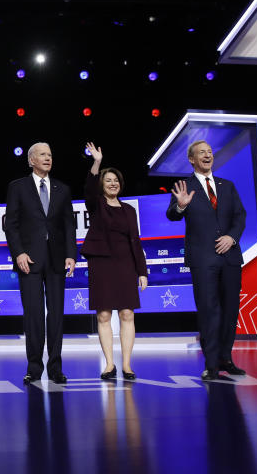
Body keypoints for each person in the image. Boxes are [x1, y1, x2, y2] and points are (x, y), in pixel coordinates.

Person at [166, 140, 247, 381]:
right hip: (203, 259)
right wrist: (180, 206)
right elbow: (171, 215)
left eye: (210, 152)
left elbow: (240, 216)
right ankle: (211, 364)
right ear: (192, 159)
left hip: (230, 257)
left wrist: (232, 237)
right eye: (202, 152)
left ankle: (226, 358)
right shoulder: (184, 186)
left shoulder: (227, 185)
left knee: (231, 311)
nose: (207, 155)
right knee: (209, 311)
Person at [4, 142, 78, 385]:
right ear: (31, 160)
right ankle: (33, 367)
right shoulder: (17, 187)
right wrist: (19, 253)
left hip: (57, 259)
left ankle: (55, 367)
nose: (48, 158)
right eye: (43, 155)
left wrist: (71, 254)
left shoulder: (62, 189)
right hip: (30, 260)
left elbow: (69, 225)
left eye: (50, 154)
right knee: (34, 315)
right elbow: (11, 224)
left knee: (56, 315)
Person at [81, 142, 148, 381]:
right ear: (102, 184)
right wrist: (97, 162)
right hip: (102, 264)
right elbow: (89, 188)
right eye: (108, 180)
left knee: (127, 314)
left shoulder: (129, 210)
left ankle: (127, 365)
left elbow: (136, 242)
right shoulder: (96, 204)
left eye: (116, 181)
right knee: (104, 316)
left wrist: (142, 271)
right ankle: (109, 365)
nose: (112, 184)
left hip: (126, 264)